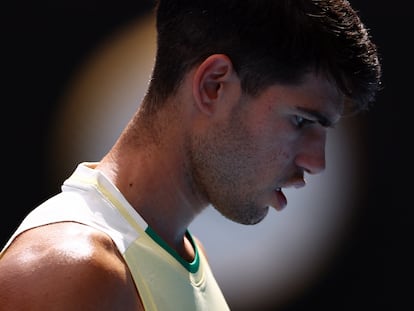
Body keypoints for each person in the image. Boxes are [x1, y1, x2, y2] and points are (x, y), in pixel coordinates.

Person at [0, 0, 381, 310]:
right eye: (300, 121)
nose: (317, 162)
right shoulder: (66, 271)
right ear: (214, 86)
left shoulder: (183, 259)